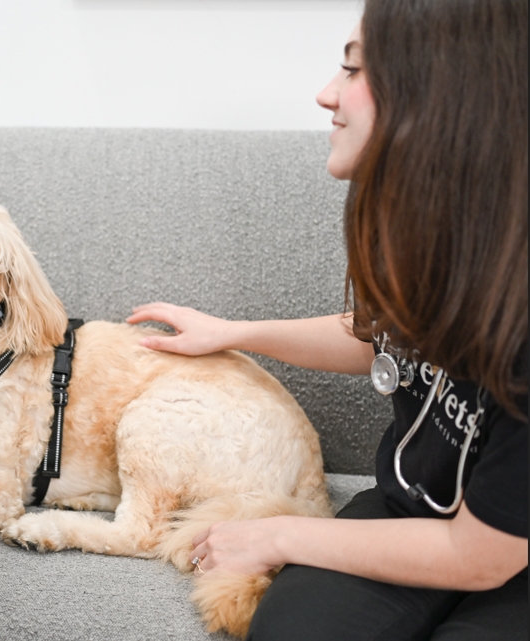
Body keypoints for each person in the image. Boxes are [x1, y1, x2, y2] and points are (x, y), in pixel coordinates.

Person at [128, 1, 528, 639]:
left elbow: (484, 557)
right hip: (409, 511)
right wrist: (234, 333)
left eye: (352, 70)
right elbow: (386, 344)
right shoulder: (445, 239)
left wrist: (280, 535)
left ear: (445, 90)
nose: (324, 94)